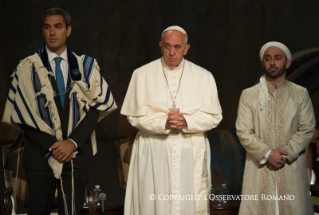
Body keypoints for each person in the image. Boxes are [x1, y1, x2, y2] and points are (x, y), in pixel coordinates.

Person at [2, 7, 117, 214]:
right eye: (47, 28)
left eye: (58, 27)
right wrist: (54, 146)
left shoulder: (86, 66)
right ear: (43, 31)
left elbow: (97, 108)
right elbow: (21, 115)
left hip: (77, 154)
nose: (52, 32)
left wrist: (71, 143)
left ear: (68, 30)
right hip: (39, 155)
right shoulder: (26, 68)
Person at [121, 25, 222, 215]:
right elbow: (134, 116)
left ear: (186, 48)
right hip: (153, 149)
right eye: (167, 46)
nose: (172, 53)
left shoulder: (203, 76)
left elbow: (214, 116)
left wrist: (186, 122)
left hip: (189, 150)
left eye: (177, 47)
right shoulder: (141, 74)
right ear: (160, 46)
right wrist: (163, 123)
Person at [236, 41, 315, 215]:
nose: (272, 63)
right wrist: (267, 153)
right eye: (268, 59)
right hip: (259, 168)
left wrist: (284, 154)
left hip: (290, 168)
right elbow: (243, 131)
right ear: (262, 63)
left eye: (277, 58)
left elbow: (307, 128)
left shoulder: (300, 94)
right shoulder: (248, 95)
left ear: (287, 63)